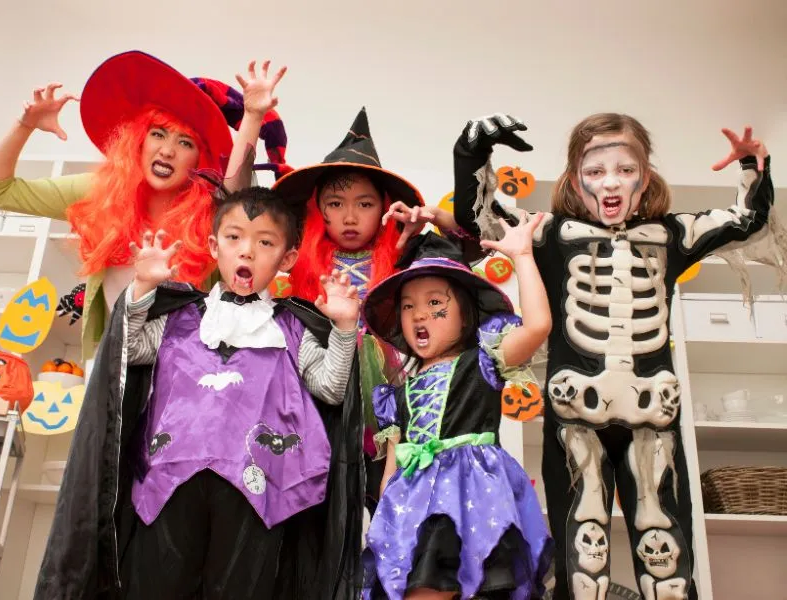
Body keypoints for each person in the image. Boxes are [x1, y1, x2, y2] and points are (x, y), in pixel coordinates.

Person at [451, 113, 780, 599]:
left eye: (626, 169)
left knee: (667, 550)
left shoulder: (671, 234)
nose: (611, 182)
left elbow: (746, 219)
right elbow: (477, 215)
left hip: (653, 413)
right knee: (580, 557)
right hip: (575, 413)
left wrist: (752, 165)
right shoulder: (549, 232)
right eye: (596, 170)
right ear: (574, 178)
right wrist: (471, 153)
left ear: (646, 177)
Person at [34, 185, 365, 599]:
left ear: (287, 259)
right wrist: (141, 290)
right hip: (168, 482)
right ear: (214, 246)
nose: (247, 251)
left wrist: (346, 328)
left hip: (255, 492)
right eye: (234, 237)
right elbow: (128, 350)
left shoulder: (292, 330)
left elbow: (332, 389)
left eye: (265, 242)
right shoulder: (181, 318)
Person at [0, 51, 285, 360]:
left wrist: (252, 117)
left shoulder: (210, 211)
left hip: (187, 373)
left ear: (200, 160)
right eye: (158, 134)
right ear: (139, 142)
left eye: (186, 143)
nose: (167, 150)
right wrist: (25, 125)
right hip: (113, 367)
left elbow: (236, 194)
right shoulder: (98, 191)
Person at [227, 105, 428, 512]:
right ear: (318, 208)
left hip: (389, 399)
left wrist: (426, 225)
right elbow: (233, 200)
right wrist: (252, 115)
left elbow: (473, 241)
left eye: (365, 204)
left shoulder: (406, 258)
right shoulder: (291, 261)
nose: (349, 216)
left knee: (388, 503)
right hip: (311, 391)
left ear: (385, 207)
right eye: (335, 203)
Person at [361, 230, 554, 600]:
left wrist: (523, 257)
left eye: (435, 303)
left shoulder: (483, 361)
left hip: (476, 503)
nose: (419, 314)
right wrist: (385, 529)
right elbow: (390, 473)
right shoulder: (395, 396)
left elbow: (538, 326)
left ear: (466, 315)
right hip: (416, 512)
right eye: (407, 306)